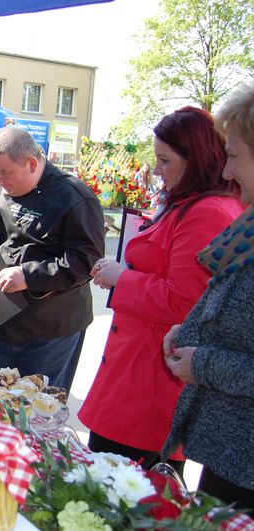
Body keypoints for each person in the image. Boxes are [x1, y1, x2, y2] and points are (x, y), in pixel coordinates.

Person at [79, 107, 243, 470]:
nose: (155, 170)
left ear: (196, 160)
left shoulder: (207, 212)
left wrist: (124, 278)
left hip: (149, 387)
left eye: (164, 160)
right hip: (139, 376)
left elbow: (186, 301)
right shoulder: (192, 203)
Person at [0, 126, 104, 390]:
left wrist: (28, 275)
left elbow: (86, 261)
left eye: (5, 172)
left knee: (33, 411)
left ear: (32, 164)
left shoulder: (74, 197)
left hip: (47, 332)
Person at [161, 86, 254, 509]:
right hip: (230, 459)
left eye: (234, 155)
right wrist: (192, 330)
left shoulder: (216, 211)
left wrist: (203, 362)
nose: (227, 171)